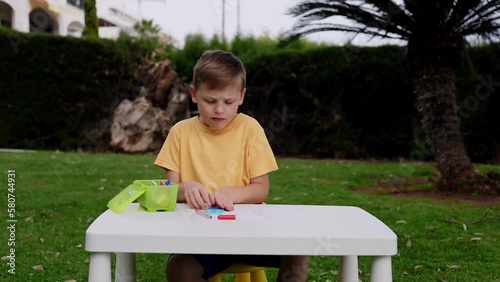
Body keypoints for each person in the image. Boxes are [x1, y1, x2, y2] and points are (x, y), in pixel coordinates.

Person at [154, 49, 309, 282]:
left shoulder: (251, 129)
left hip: (251, 234)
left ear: (241, 97)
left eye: (228, 102)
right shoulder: (180, 133)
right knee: (179, 268)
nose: (219, 109)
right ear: (194, 94)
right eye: (210, 101)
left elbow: (261, 188)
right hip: (200, 240)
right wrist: (186, 189)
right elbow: (168, 190)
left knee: (298, 251)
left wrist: (232, 193)